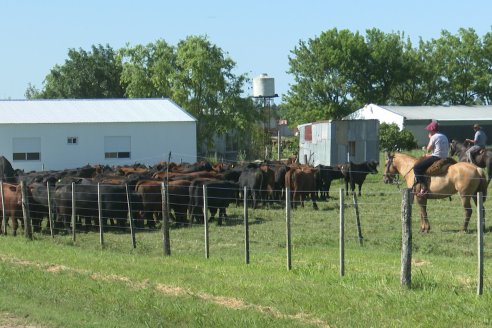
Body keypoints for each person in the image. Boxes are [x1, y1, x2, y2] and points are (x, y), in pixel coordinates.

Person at [413, 121, 449, 197]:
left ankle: (424, 187)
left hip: (436, 157)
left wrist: (430, 138)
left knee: (417, 168)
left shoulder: (434, 137)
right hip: (444, 157)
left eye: (429, 130)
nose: (428, 131)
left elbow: (428, 149)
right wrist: (430, 155)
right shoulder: (444, 136)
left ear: (432, 130)